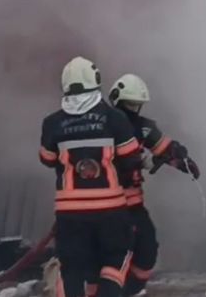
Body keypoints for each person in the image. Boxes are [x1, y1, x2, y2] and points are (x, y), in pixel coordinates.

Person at [39, 57, 142, 297]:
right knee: (116, 259)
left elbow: (46, 158)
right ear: (95, 79)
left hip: (70, 213)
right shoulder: (114, 117)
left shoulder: (52, 123)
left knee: (71, 267)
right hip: (110, 211)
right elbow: (130, 157)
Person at [108, 73, 200, 296]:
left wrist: (180, 160)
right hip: (107, 204)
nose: (133, 109)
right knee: (115, 254)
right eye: (130, 104)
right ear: (117, 100)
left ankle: (129, 290)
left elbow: (162, 146)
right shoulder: (104, 125)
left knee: (147, 249)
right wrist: (142, 161)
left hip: (133, 205)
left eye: (137, 105)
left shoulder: (142, 127)